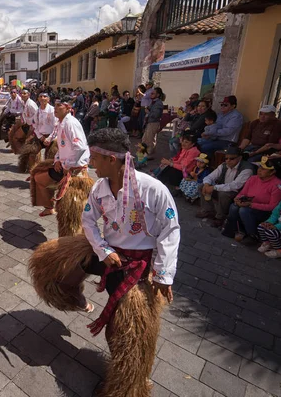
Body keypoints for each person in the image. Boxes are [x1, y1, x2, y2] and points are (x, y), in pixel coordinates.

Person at [29, 127, 178, 397]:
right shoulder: (100, 187)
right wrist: (102, 249)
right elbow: (88, 221)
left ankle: (131, 381)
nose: (91, 163)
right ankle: (73, 297)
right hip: (110, 256)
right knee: (61, 266)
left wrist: (164, 275)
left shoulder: (153, 189)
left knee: (126, 331)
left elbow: (171, 230)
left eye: (95, 157)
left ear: (112, 159)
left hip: (140, 268)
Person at [31, 97, 90, 216]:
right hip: (63, 165)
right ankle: (49, 207)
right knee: (38, 177)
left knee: (71, 208)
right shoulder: (60, 122)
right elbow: (61, 146)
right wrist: (57, 160)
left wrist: (67, 165)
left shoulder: (71, 123)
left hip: (75, 168)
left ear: (68, 108)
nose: (56, 108)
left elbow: (80, 147)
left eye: (59, 106)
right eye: (55, 105)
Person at [222, 156, 281, 245]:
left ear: (272, 172)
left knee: (244, 210)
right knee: (234, 206)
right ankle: (232, 229)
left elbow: (273, 207)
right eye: (259, 167)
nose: (259, 170)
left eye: (264, 169)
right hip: (250, 204)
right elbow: (243, 193)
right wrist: (238, 198)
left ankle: (253, 235)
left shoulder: (278, 185)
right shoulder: (253, 178)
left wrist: (251, 205)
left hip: (264, 211)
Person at [198, 145, 253, 227]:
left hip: (237, 193)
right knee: (202, 186)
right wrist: (207, 184)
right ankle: (208, 210)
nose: (228, 161)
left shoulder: (247, 169)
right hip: (222, 188)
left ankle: (220, 217)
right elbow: (210, 176)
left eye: (232, 158)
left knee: (223, 194)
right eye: (226, 158)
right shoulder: (224, 165)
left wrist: (214, 187)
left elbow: (235, 185)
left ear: (240, 158)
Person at [19, 92, 57, 173]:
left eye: (45, 96)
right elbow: (35, 125)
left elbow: (56, 127)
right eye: (40, 96)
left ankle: (47, 174)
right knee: (31, 153)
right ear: (38, 99)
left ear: (48, 99)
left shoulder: (52, 110)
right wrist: (40, 136)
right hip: (40, 136)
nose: (43, 98)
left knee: (49, 156)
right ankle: (34, 171)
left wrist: (49, 138)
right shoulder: (37, 111)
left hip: (52, 137)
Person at [256, 184, 281, 258]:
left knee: (270, 232)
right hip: (279, 227)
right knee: (261, 227)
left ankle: (280, 251)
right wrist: (269, 222)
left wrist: (276, 226)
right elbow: (275, 215)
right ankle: (267, 244)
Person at [142, 87, 165, 156]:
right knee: (146, 138)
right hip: (150, 122)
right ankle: (146, 153)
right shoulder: (154, 102)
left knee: (149, 140)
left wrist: (148, 112)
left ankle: (148, 155)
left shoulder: (158, 103)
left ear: (157, 95)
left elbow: (156, 115)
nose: (151, 94)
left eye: (153, 93)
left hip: (153, 123)